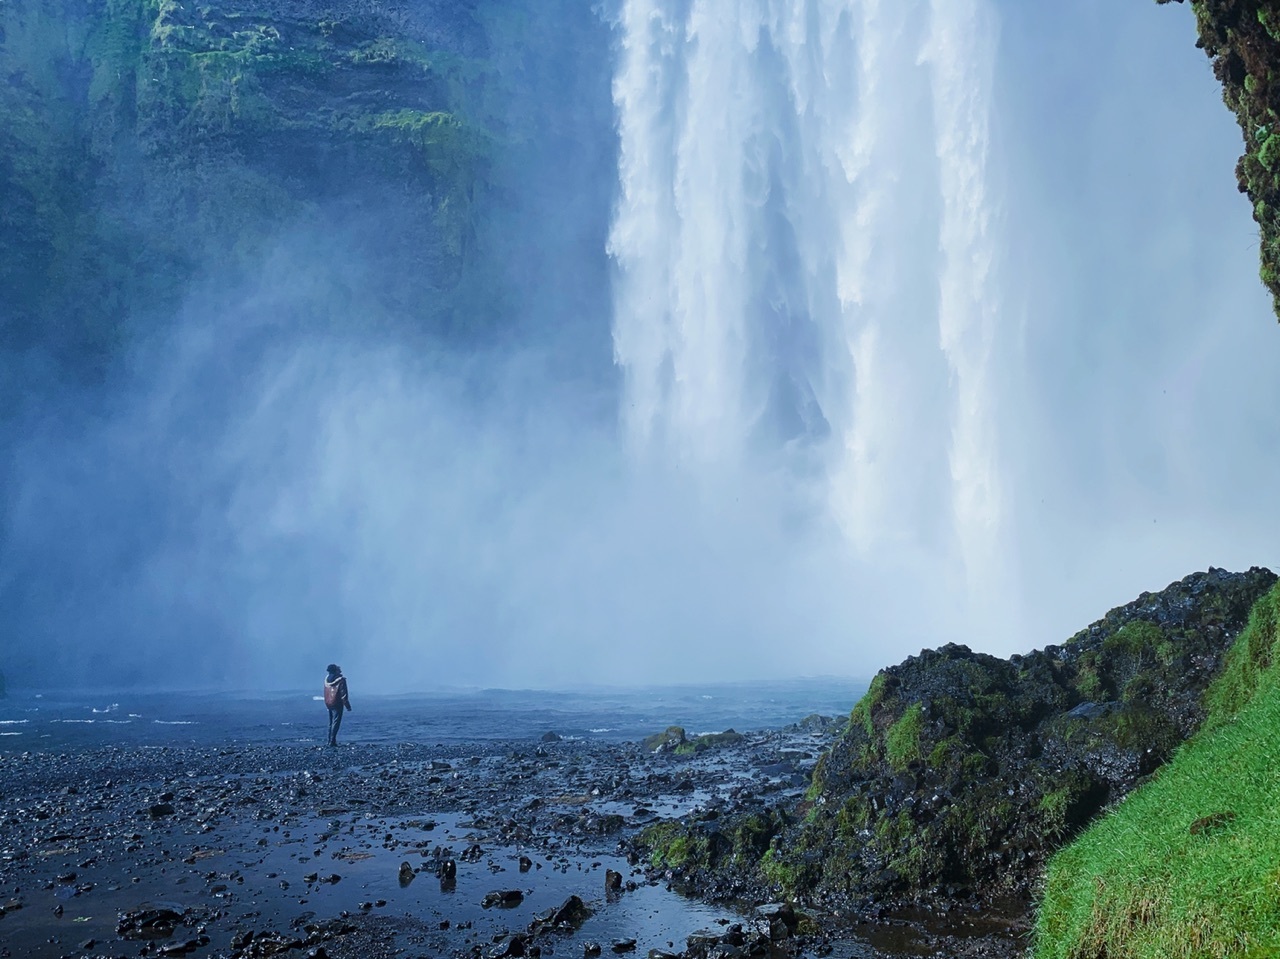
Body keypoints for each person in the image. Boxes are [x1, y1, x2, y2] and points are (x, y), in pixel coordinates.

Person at [323, 663, 352, 746]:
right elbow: (343, 694)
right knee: (336, 722)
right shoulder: (341, 680)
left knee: (330, 722)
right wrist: (347, 706)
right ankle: (332, 741)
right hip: (337, 703)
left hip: (328, 703)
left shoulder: (326, 680)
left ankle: (329, 740)